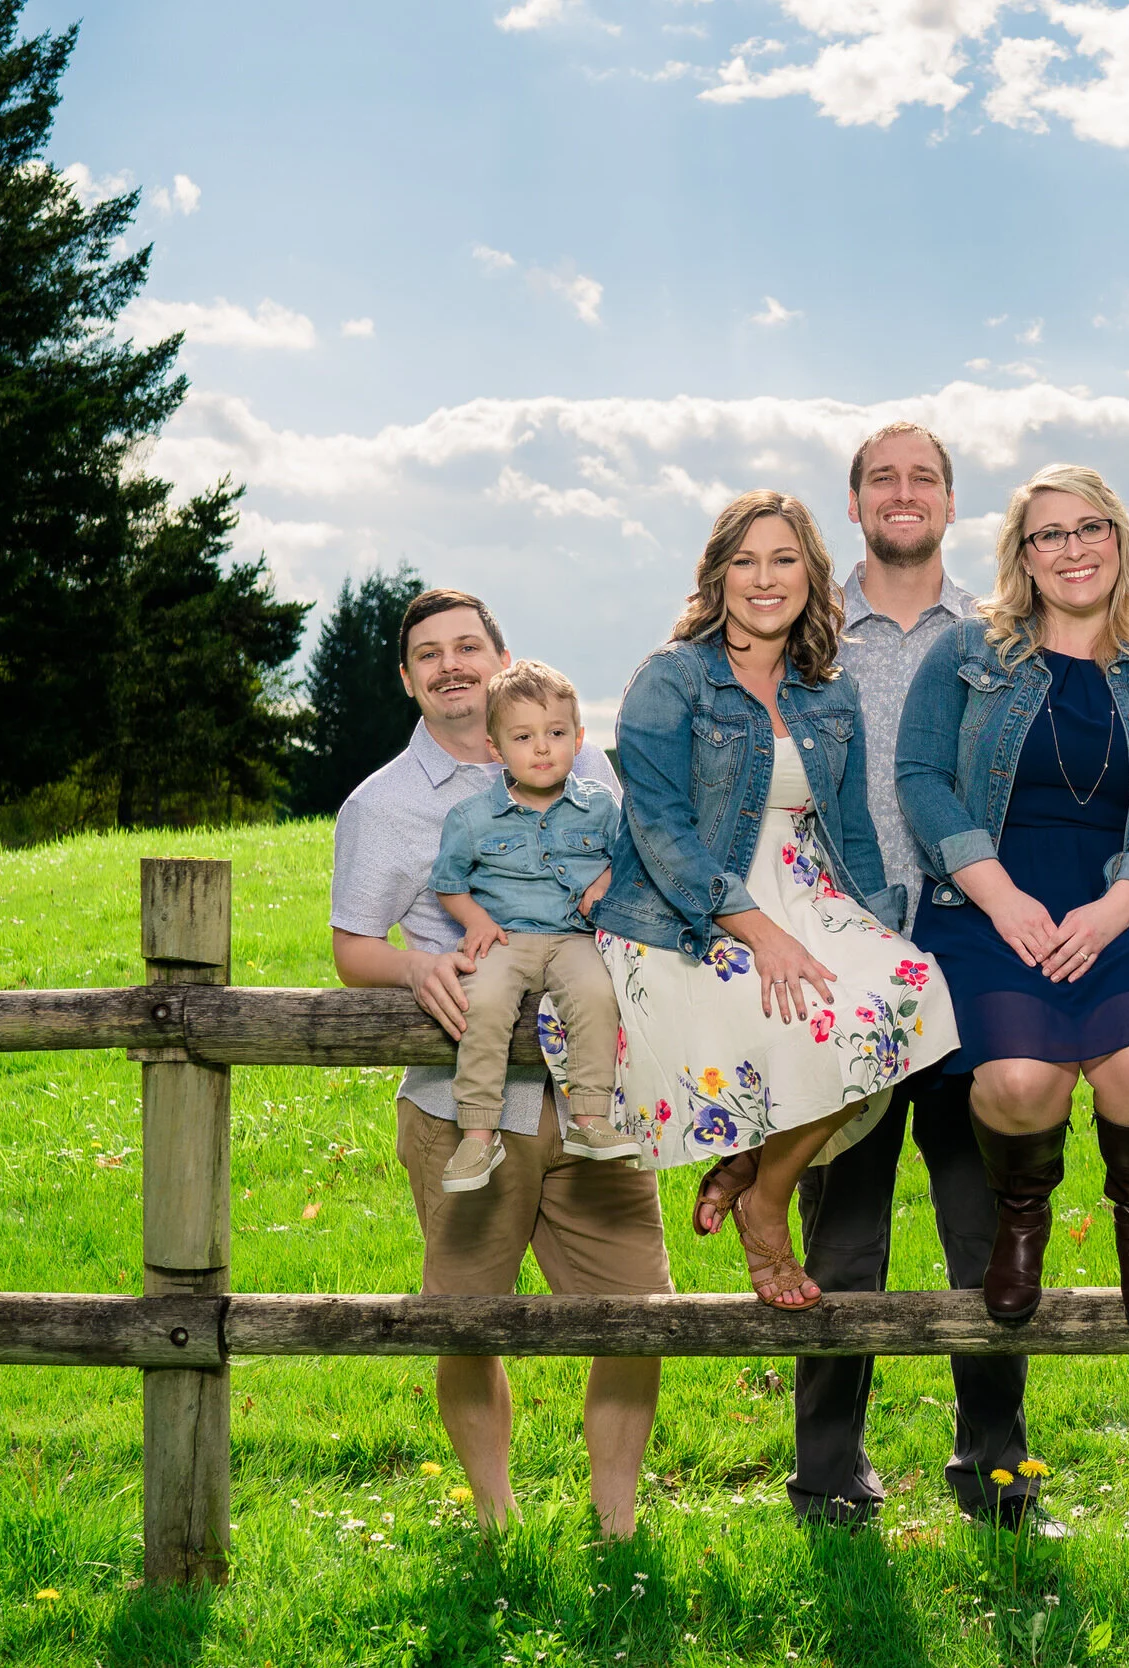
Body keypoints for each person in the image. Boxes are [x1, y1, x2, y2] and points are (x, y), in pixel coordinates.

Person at [329, 587, 665, 1540]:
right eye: (428, 654)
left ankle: (616, 1524)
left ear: (501, 656)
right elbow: (352, 947)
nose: (451, 665)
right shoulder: (384, 805)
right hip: (459, 1105)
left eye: (468, 646)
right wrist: (416, 961)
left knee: (636, 1309)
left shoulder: (584, 764)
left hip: (595, 1097)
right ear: (407, 679)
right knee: (465, 1318)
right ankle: (494, 1521)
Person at [587, 489, 961, 1312]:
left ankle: (760, 1179)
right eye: (745, 561)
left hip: (809, 890)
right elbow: (661, 829)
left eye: (784, 559)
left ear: (811, 574)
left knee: (905, 993)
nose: (765, 578)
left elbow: (853, 828)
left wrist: (878, 929)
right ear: (717, 577)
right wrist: (757, 933)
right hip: (686, 907)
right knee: (807, 1018)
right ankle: (764, 1204)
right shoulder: (669, 679)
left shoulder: (826, 692)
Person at [783, 423, 1045, 1531]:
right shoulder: (799, 629)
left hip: (967, 952)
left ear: (951, 502)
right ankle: (829, 1478)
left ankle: (994, 1472)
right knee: (843, 1234)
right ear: (853, 505)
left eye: (922, 477)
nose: (902, 493)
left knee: (982, 1225)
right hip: (836, 953)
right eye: (881, 478)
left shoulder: (1004, 638)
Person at [896, 463, 1129, 1337]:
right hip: (991, 905)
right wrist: (999, 898)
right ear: (1023, 558)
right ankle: (1023, 1219)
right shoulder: (966, 654)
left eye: (1090, 529)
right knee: (1020, 1082)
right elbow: (920, 777)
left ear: (1119, 540)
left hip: (1122, 908)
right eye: (1049, 535)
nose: (1073, 549)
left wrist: (1118, 907)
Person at [428, 660, 638, 1191]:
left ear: (579, 737)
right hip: (507, 937)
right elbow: (448, 882)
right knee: (485, 1003)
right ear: (496, 748)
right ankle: (477, 1132)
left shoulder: (600, 807)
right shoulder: (472, 818)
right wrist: (475, 921)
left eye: (556, 734)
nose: (542, 748)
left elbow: (630, 859)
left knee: (596, 992)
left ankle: (591, 1119)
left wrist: (605, 881)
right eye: (523, 737)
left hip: (574, 938)